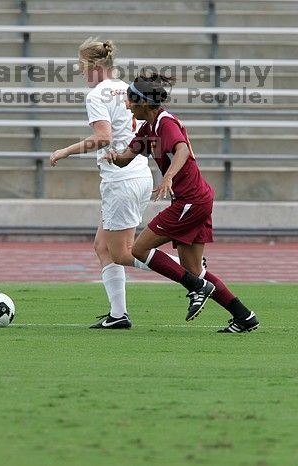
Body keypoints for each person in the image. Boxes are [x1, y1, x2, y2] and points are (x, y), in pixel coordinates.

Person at [108, 72, 260, 333]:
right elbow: (126, 157)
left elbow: (182, 150)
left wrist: (168, 177)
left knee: (138, 249)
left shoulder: (166, 124)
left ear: (143, 102)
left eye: (131, 100)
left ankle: (197, 288)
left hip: (190, 202)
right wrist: (112, 156)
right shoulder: (149, 128)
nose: (127, 105)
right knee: (193, 270)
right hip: (196, 200)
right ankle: (244, 316)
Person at [49, 38, 155, 329]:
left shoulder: (97, 94)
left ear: (95, 66)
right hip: (137, 174)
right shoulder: (126, 89)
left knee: (123, 252)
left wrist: (65, 151)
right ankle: (119, 314)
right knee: (103, 246)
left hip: (121, 179)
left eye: (82, 66)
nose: (81, 72)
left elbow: (103, 137)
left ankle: (189, 271)